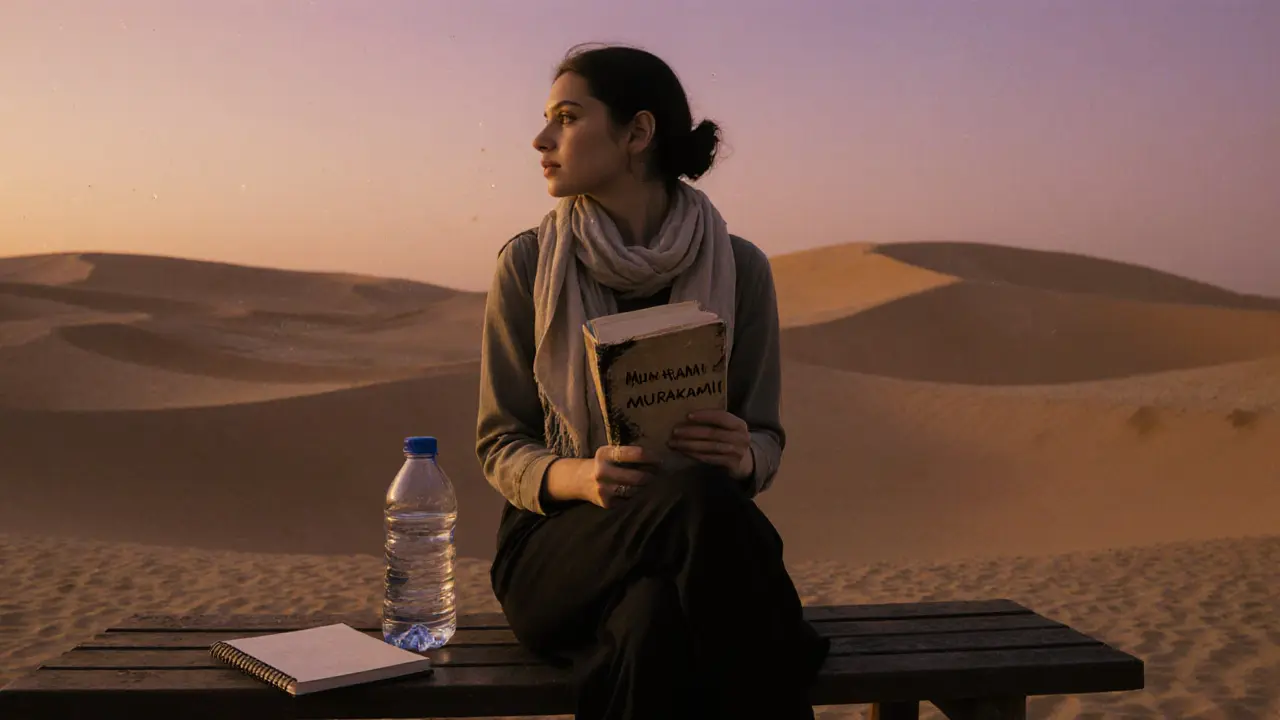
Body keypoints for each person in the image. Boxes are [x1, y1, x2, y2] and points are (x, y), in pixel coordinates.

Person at [475, 42, 830, 720]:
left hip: (694, 548)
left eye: (567, 117)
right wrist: (581, 476)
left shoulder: (741, 268)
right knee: (697, 499)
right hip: (561, 548)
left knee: (651, 623)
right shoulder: (527, 265)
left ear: (637, 133)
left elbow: (765, 435)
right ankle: (781, 643)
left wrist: (744, 452)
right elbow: (500, 444)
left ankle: (765, 640)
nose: (541, 139)